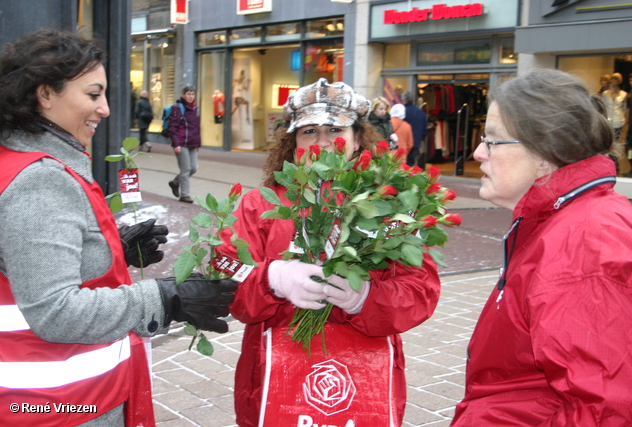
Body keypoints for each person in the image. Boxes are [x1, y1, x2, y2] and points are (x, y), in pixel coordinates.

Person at [0, 29, 237, 426]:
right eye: (93, 94)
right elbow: (56, 311)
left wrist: (112, 253)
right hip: (59, 404)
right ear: (45, 94)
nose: (106, 108)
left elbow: (24, 264)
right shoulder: (40, 178)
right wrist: (165, 299)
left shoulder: (22, 158)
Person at [216, 78, 441, 427]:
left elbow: (420, 290)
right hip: (271, 374)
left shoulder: (389, 207)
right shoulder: (259, 205)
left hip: (365, 377)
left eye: (335, 129)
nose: (322, 141)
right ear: (292, 142)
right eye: (308, 131)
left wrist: (366, 298)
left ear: (356, 140)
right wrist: (270, 279)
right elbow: (225, 271)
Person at [451, 69, 632, 426]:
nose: (477, 152)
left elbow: (606, 411)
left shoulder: (584, 245)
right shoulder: (560, 219)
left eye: (492, 141)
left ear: (545, 153)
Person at [167, 84, 201, 204]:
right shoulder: (178, 108)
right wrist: (176, 144)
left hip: (192, 143)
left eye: (192, 94)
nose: (191, 96)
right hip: (181, 143)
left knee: (194, 168)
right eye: (188, 94)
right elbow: (172, 127)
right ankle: (185, 195)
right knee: (186, 169)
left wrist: (198, 144)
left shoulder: (195, 109)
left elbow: (196, 128)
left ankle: (175, 182)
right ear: (183, 95)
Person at [401, 91, 428, 167]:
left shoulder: (402, 112)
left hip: (403, 144)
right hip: (416, 143)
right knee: (410, 165)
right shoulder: (421, 113)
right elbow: (424, 131)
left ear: (404, 100)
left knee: (401, 166)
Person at [602, 72, 628, 143]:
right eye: (612, 78)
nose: (613, 80)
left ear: (619, 81)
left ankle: (612, 154)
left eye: (616, 79)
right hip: (607, 121)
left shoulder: (624, 94)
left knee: (615, 141)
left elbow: (624, 108)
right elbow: (603, 106)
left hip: (618, 121)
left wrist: (622, 118)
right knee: (607, 141)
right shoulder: (605, 94)